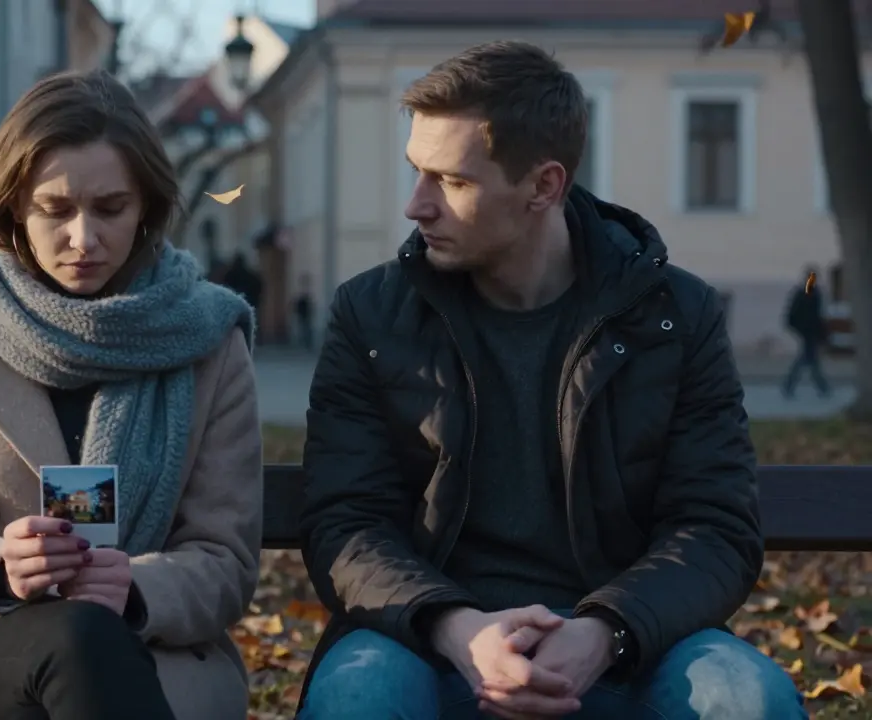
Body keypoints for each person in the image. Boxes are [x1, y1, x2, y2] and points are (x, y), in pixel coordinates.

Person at [296, 41, 804, 720]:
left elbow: (713, 527)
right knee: (358, 695)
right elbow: (348, 523)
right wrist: (457, 629)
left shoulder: (676, 316)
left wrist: (604, 633)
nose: (416, 205)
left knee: (745, 700)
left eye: (450, 180)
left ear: (543, 186)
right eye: (416, 171)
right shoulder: (372, 314)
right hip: (427, 639)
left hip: (632, 646)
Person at [0, 69, 263, 720]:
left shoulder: (210, 341)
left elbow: (225, 561)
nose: (84, 238)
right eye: (56, 209)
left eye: (110, 208)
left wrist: (136, 586)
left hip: (145, 653)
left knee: (85, 642)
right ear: (14, 204)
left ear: (146, 207)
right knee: (73, 640)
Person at [782, 264, 831, 398]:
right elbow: (812, 316)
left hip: (808, 331)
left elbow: (815, 316)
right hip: (807, 331)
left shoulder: (810, 293)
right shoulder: (808, 294)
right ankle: (822, 388)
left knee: (808, 360)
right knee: (808, 360)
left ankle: (791, 386)